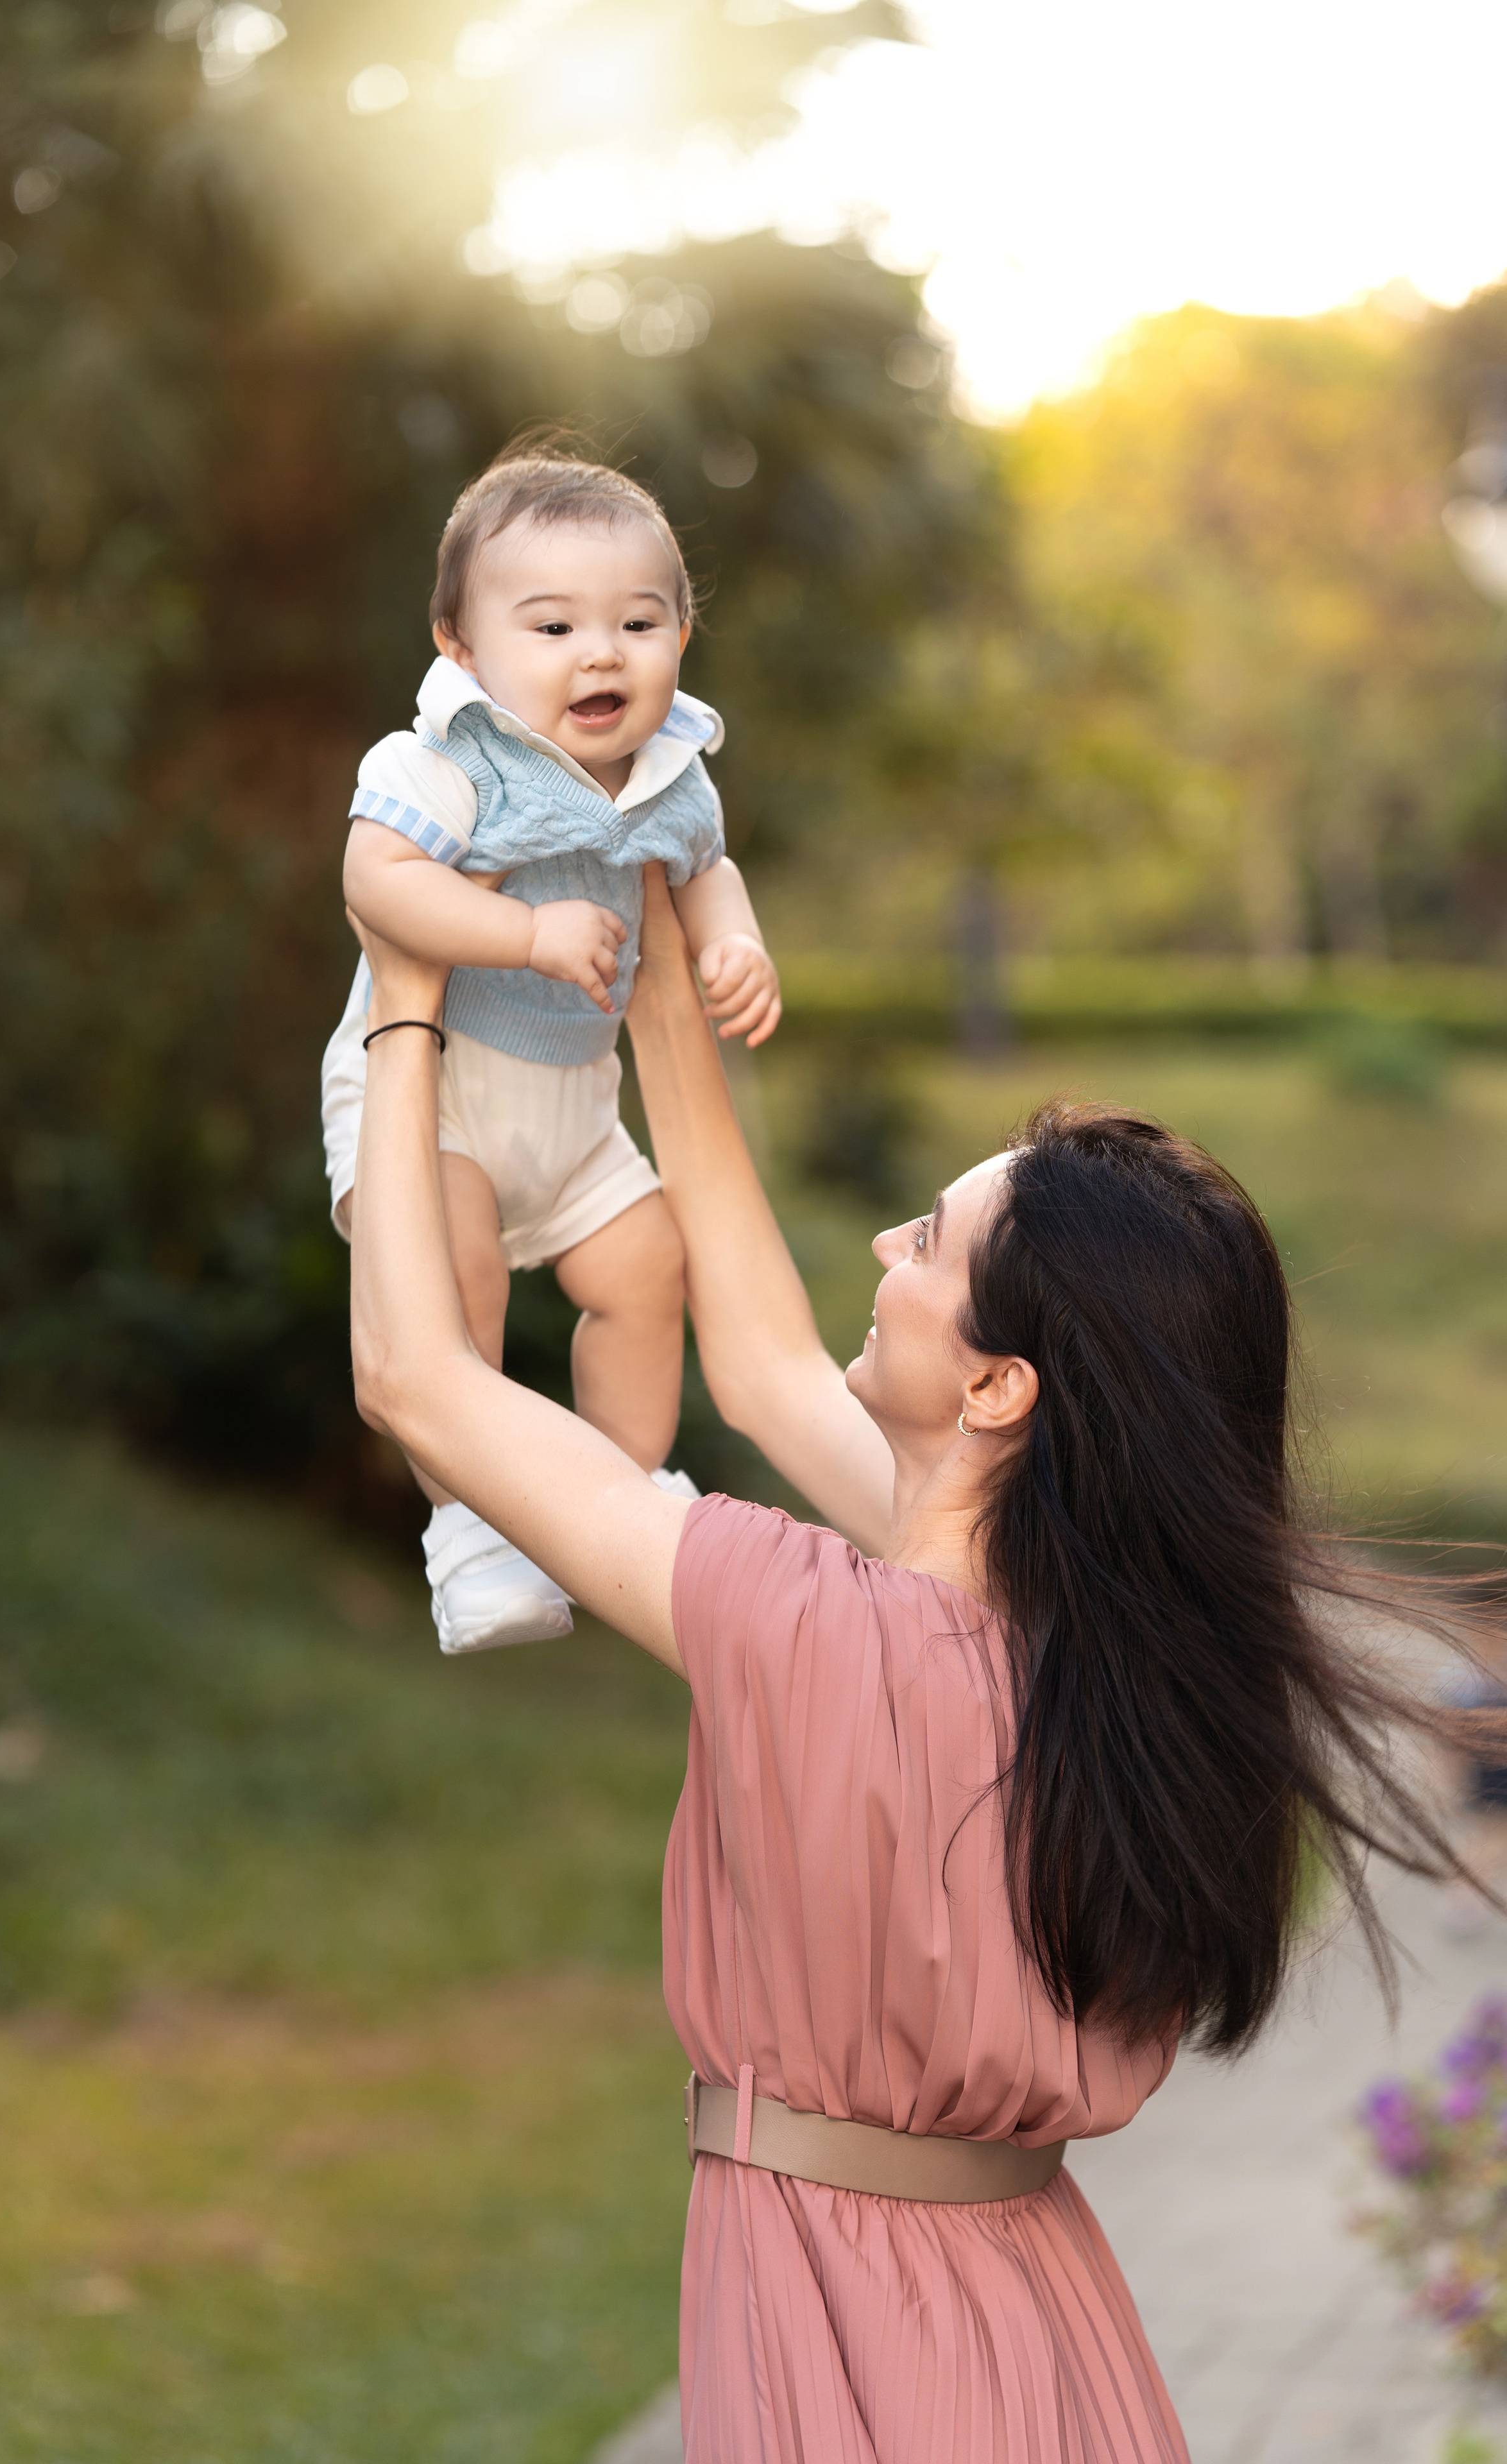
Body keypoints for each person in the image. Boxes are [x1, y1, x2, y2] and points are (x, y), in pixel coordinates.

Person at [345, 870, 1477, 2464]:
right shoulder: (1097, 1657)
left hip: (844, 2330)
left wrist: (399, 999)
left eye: (925, 1243)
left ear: (1000, 1386)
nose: (881, 1241)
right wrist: (662, 992)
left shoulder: (800, 1620)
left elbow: (411, 1374)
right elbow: (754, 1360)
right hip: (1033, 2325)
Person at [323, 444, 780, 1656]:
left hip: (577, 1106)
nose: (602, 652)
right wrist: (521, 931)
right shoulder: (450, 759)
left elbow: (709, 875)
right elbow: (378, 878)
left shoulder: (675, 774)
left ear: (682, 635)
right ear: (461, 647)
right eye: (553, 625)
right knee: (451, 1276)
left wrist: (734, 946)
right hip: (436, 1092)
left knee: (647, 1269)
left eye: (639, 621)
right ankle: (473, 1523)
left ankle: (618, 1494)